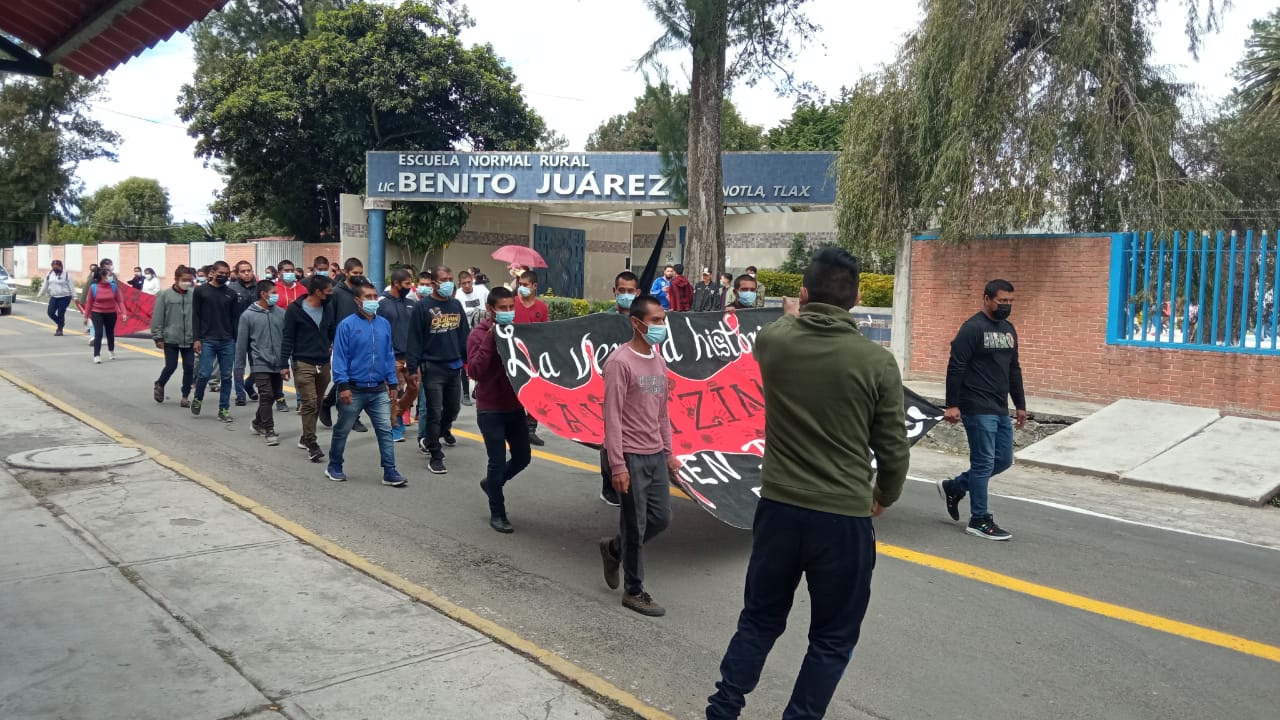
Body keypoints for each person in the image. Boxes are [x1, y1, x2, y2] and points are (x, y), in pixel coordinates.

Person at [705, 247, 909, 720]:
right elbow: (894, 450)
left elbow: (781, 327)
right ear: (857, 297)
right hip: (843, 519)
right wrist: (884, 495)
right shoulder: (876, 363)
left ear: (802, 291)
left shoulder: (775, 342)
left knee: (758, 620)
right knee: (833, 638)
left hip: (778, 509)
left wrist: (793, 313)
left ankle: (723, 708)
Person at [597, 295, 679, 617]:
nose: (661, 326)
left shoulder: (658, 361)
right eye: (655, 320)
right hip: (629, 456)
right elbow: (612, 417)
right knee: (635, 524)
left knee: (661, 518)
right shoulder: (620, 363)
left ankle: (614, 549)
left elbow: (662, 412)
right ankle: (634, 590)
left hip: (655, 455)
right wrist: (618, 465)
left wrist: (669, 454)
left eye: (662, 320)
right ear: (637, 323)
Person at [937, 278, 1027, 541]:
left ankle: (954, 487)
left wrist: (1019, 404)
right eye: (1002, 301)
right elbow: (956, 367)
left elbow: (1014, 369)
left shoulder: (1009, 330)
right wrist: (952, 404)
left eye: (1010, 302)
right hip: (975, 405)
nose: (1006, 306)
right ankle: (979, 519)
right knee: (984, 461)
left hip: (999, 406)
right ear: (987, 299)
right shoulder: (972, 329)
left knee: (1003, 459)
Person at [327, 283, 406, 487]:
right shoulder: (346, 325)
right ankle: (334, 465)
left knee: (385, 430)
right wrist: (343, 385)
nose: (372, 300)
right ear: (357, 300)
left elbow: (388, 355)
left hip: (378, 389)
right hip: (353, 389)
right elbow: (340, 358)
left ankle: (390, 471)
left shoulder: (384, 325)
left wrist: (393, 383)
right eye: (368, 297)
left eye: (374, 296)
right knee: (342, 430)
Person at [469, 287, 532, 533]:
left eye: (510, 308)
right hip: (490, 409)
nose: (507, 312)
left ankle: (492, 484)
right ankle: (498, 511)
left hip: (515, 406)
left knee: (523, 457)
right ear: (490, 310)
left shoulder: (517, 332)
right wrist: (490, 341)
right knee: (496, 461)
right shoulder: (478, 334)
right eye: (502, 308)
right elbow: (475, 371)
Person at [408, 266, 470, 475]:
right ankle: (435, 453)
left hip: (455, 367)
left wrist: (467, 360)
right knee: (434, 411)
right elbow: (414, 339)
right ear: (434, 283)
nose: (448, 283)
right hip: (432, 368)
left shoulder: (455, 304)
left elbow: (464, 334)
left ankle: (438, 433)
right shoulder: (422, 307)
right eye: (444, 279)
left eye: (450, 279)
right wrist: (413, 368)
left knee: (453, 409)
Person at [595, 271, 640, 508]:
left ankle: (633, 481)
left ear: (638, 293)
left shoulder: (643, 319)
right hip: (612, 384)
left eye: (630, 291)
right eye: (621, 291)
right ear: (614, 292)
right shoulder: (603, 320)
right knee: (609, 436)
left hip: (638, 387)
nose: (625, 295)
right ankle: (608, 485)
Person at [282, 275, 337, 462]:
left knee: (318, 402)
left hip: (323, 362)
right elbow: (287, 337)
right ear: (317, 292)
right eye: (328, 292)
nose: (331, 295)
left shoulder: (328, 308)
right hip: (302, 361)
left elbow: (332, 332)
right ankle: (312, 443)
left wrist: (329, 344)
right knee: (310, 402)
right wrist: (283, 364)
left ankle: (305, 435)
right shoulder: (294, 310)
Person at [235, 279, 288, 446]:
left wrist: (286, 362)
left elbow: (286, 340)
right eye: (273, 293)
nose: (276, 296)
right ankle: (269, 430)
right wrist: (239, 366)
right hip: (259, 362)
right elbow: (241, 343)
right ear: (263, 294)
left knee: (273, 396)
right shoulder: (248, 316)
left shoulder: (281, 313)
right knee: (266, 395)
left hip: (278, 363)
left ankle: (258, 423)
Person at [320, 259, 370, 432]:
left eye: (360, 272)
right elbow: (329, 319)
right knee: (347, 379)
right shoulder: (336, 293)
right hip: (343, 342)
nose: (358, 276)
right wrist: (330, 341)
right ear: (345, 272)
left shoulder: (364, 290)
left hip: (362, 340)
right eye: (354, 273)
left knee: (356, 378)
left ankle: (328, 403)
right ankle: (351, 417)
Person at [191, 260, 239, 422]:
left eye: (226, 273)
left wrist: (235, 339)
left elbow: (234, 318)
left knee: (226, 376)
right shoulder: (200, 291)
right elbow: (195, 315)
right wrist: (196, 338)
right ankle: (198, 398)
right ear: (213, 272)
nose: (224, 276)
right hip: (207, 339)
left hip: (227, 340)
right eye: (221, 273)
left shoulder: (231, 294)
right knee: (204, 373)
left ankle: (224, 409)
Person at [378, 268, 419, 444]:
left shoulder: (411, 303)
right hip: (391, 357)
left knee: (414, 388)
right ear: (396, 284)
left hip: (410, 357)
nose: (410, 287)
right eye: (407, 284)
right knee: (393, 392)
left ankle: (398, 413)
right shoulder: (382, 303)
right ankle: (393, 426)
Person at [150, 265, 196, 407]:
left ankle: (185, 396)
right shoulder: (165, 295)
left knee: (189, 367)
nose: (187, 283)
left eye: (189, 280)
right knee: (171, 366)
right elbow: (157, 317)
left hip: (189, 338)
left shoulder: (194, 294)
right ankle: (160, 383)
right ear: (176, 279)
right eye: (184, 280)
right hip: (171, 338)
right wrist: (158, 337)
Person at [514, 270, 550, 445]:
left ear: (534, 286)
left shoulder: (541, 308)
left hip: (534, 358)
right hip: (513, 357)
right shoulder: (511, 304)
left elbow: (544, 334)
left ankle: (531, 429)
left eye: (525, 285)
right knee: (515, 393)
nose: (522, 288)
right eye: (520, 284)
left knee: (535, 394)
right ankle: (516, 428)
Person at [228, 260, 260, 407]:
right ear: (237, 273)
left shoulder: (259, 288)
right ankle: (240, 394)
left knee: (258, 366)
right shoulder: (232, 289)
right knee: (239, 366)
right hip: (237, 333)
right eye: (243, 271)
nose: (247, 273)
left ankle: (249, 384)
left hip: (257, 334)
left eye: (249, 270)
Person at [456, 269, 489, 406]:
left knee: (482, 360)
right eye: (464, 283)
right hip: (466, 332)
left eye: (469, 282)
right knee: (466, 363)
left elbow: (490, 304)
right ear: (460, 284)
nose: (467, 285)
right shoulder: (458, 296)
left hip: (482, 331)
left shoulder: (482, 291)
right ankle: (465, 393)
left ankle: (479, 389)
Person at [86, 266, 128, 364]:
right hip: (97, 313)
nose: (110, 278)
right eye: (108, 276)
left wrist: (124, 313)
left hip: (111, 313)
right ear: (102, 277)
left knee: (110, 333)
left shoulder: (113, 287)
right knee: (98, 333)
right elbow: (89, 303)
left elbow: (120, 301)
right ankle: (97, 355)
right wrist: (86, 316)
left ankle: (111, 350)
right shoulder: (94, 287)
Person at [38, 259, 76, 335]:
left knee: (61, 313)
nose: (55, 268)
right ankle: (60, 323)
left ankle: (59, 330)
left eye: (57, 266)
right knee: (50, 312)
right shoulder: (49, 274)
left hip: (65, 297)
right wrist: (40, 294)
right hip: (54, 297)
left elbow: (71, 286)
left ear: (60, 266)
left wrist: (75, 296)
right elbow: (45, 285)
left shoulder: (66, 274)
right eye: (53, 266)